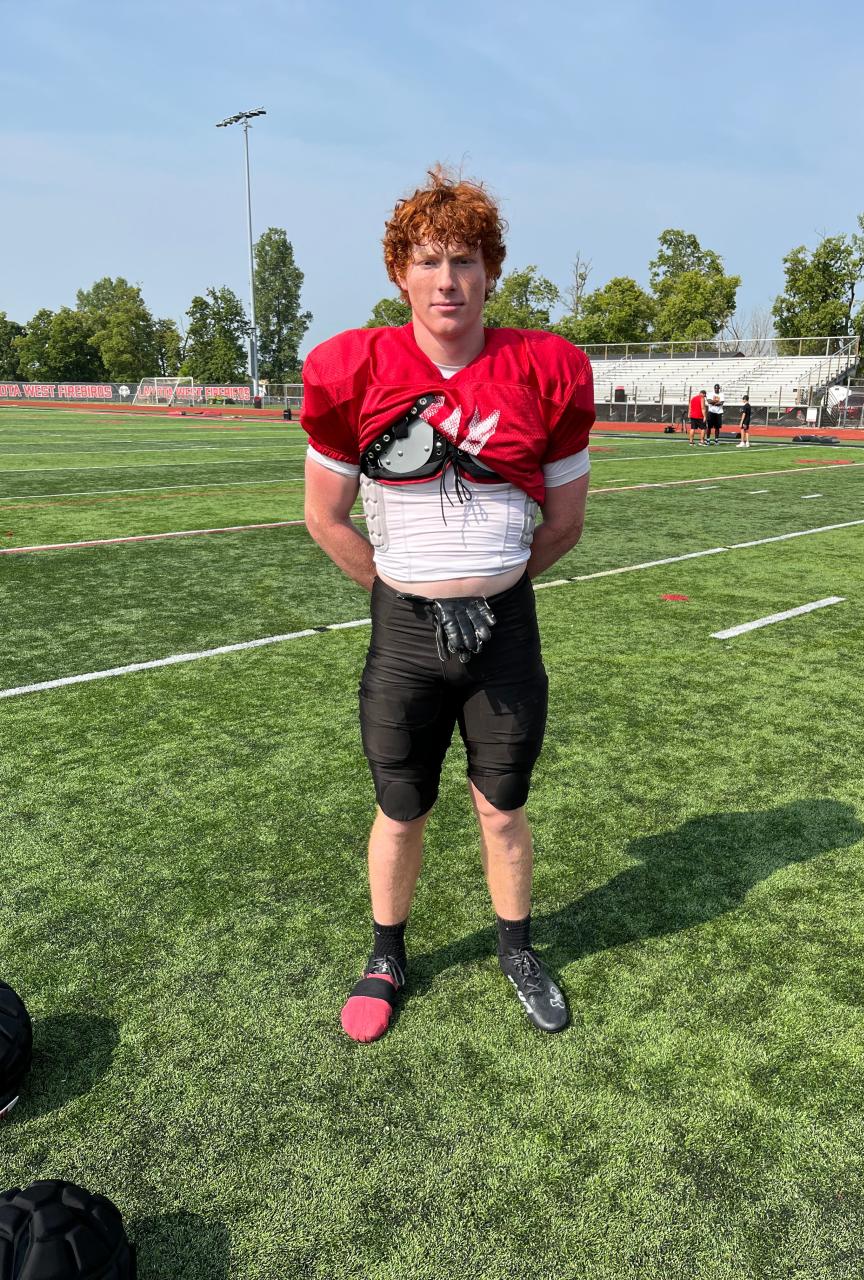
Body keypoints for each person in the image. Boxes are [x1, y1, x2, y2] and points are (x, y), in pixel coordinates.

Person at [300, 167, 594, 1043]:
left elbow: (566, 521)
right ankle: (386, 952)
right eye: (427, 261)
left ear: (491, 271)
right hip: (403, 634)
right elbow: (324, 515)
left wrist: (495, 587)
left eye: (464, 260)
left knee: (502, 805)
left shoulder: (545, 369)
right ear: (400, 273)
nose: (447, 280)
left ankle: (516, 946)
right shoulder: (353, 367)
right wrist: (407, 597)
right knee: (401, 804)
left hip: (504, 631)